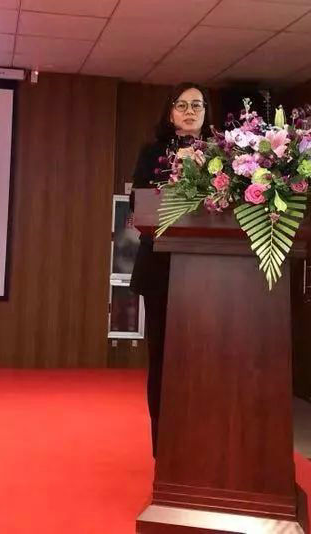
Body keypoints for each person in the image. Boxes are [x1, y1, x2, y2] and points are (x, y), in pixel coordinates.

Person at [129, 83, 212, 458]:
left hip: (211, 273)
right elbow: (140, 204)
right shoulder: (152, 153)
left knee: (207, 358)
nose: (190, 111)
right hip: (161, 268)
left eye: (197, 105)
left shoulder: (223, 155)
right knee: (163, 357)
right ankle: (164, 447)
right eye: (182, 105)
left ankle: (204, 440)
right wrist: (178, 168)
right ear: (170, 112)